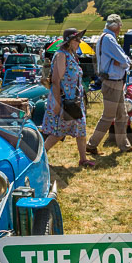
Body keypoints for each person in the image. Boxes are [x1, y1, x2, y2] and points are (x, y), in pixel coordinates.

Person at [42, 28, 94, 168]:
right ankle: (40, 158)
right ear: (69, 41)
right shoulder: (61, 55)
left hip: (74, 101)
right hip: (64, 101)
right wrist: (58, 103)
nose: (79, 41)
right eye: (76, 39)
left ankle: (83, 159)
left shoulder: (72, 55)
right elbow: (56, 80)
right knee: (58, 132)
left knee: (81, 130)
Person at [87, 13, 132, 156]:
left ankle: (124, 145)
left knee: (122, 115)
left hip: (114, 81)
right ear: (115, 26)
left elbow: (121, 59)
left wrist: (122, 62)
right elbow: (124, 59)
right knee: (108, 117)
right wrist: (124, 62)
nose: (120, 28)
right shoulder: (109, 39)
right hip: (112, 82)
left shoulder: (106, 37)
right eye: (120, 26)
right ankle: (91, 144)